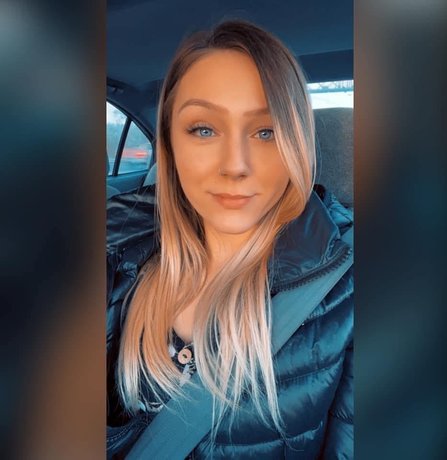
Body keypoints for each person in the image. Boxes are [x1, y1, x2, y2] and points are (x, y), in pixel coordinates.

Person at [107, 20, 353, 459]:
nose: (235, 165)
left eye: (266, 131)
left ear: (297, 144)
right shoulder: (115, 245)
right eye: (204, 129)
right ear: (169, 145)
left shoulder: (352, 292)